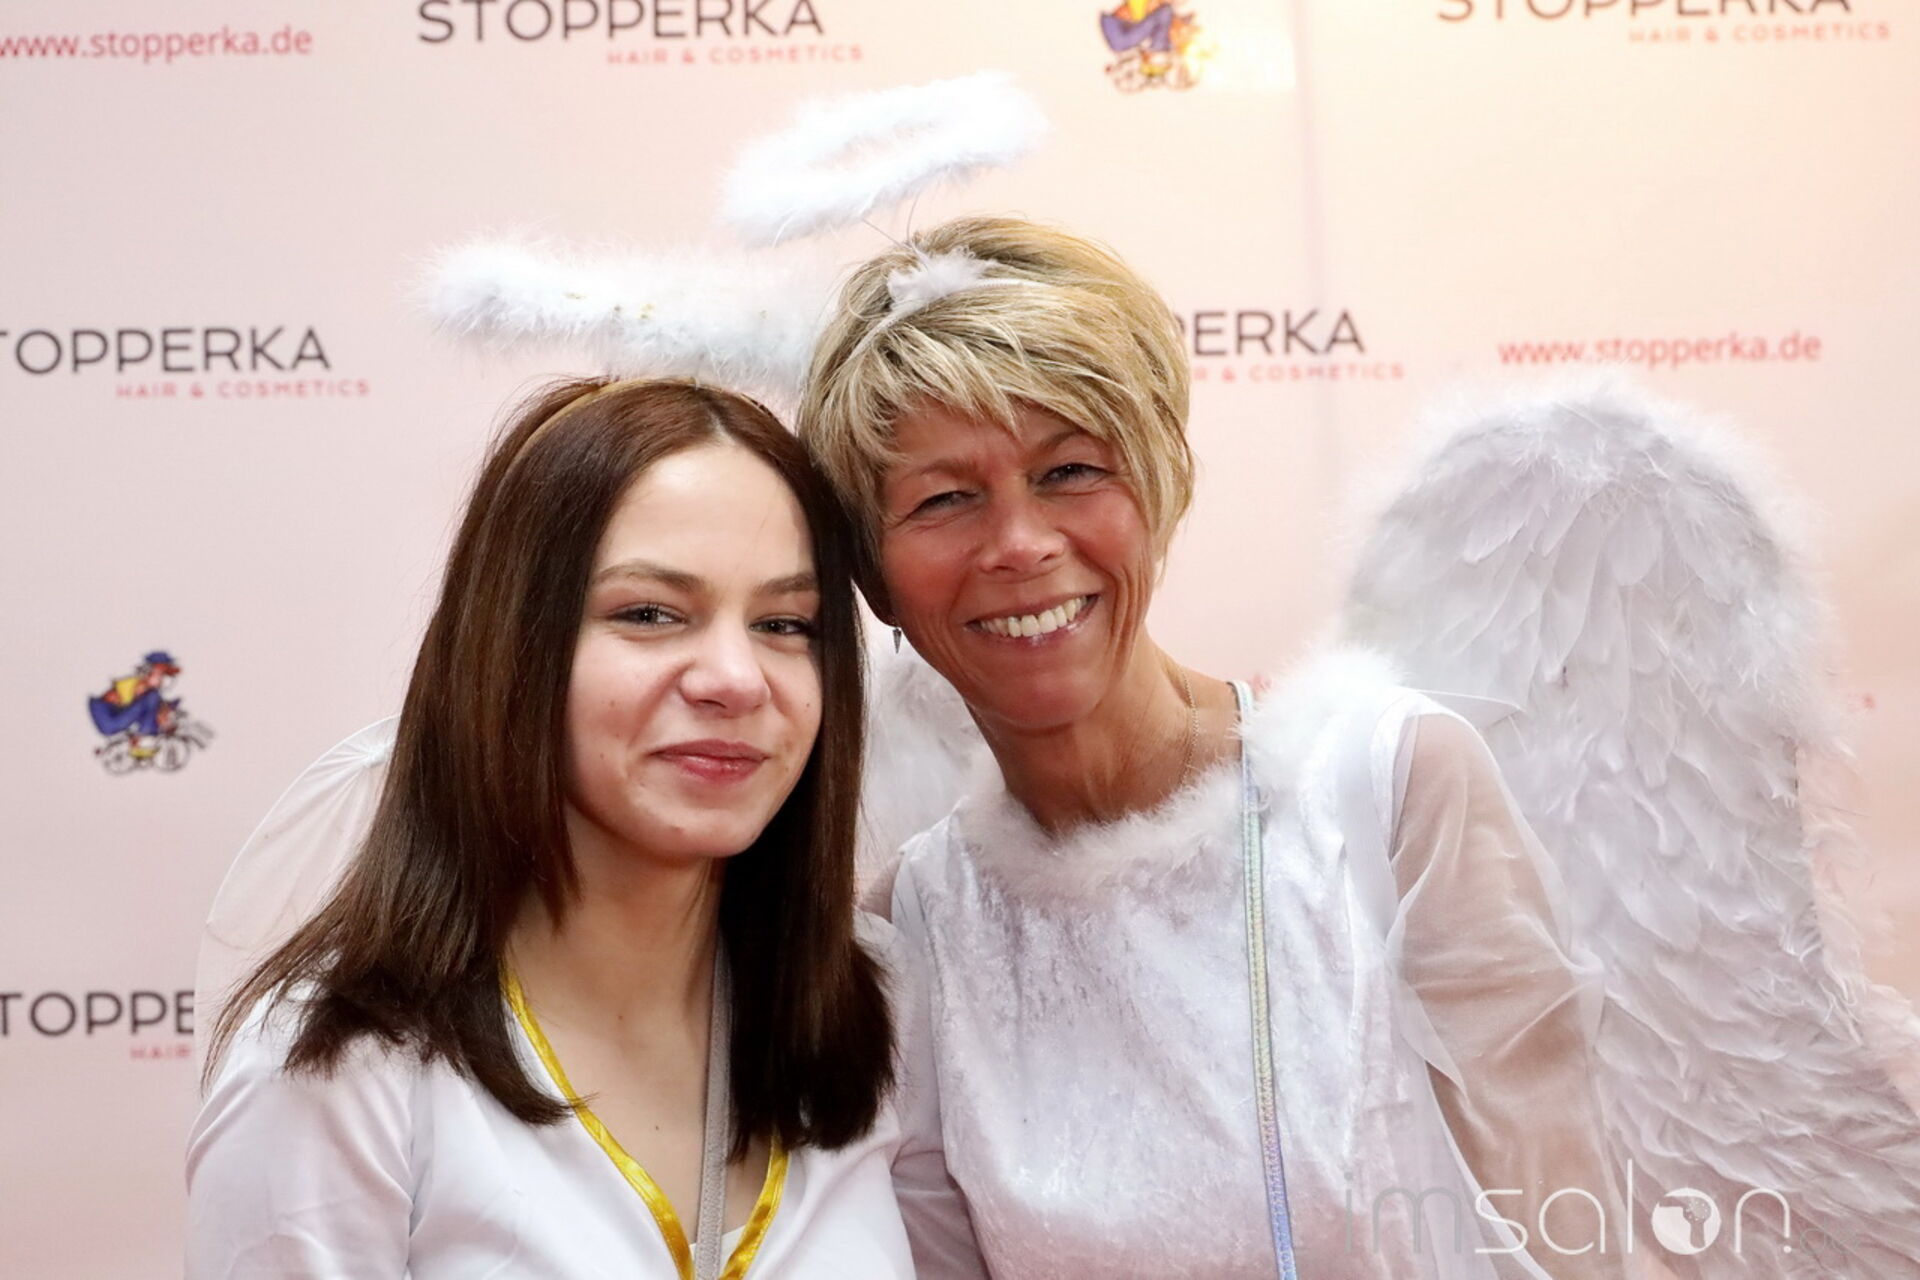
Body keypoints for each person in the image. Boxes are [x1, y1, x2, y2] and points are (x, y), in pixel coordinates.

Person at [798, 217, 1634, 1278]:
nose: (1021, 544)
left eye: (1069, 470)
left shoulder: (1387, 790)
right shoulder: (915, 927)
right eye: (946, 498)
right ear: (873, 579)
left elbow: (1570, 1236)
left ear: (1158, 490)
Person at [188, 378, 923, 1279]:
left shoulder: (877, 1003)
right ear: (510, 644)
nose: (736, 679)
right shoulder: (341, 1071)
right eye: (649, 614)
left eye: (784, 623)